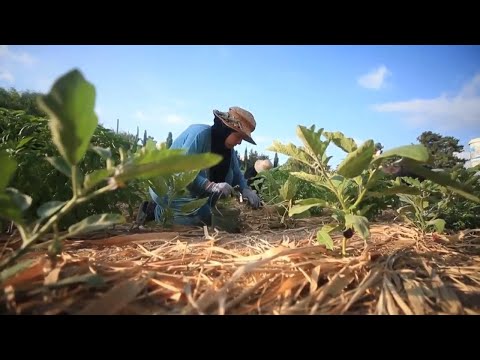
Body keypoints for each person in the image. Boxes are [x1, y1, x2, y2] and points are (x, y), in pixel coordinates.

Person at [136, 106, 262, 228]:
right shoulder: (199, 134)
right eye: (238, 136)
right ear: (227, 129)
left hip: (193, 194)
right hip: (169, 189)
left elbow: (236, 173)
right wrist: (211, 186)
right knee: (202, 217)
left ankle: (174, 213)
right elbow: (182, 172)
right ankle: (152, 211)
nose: (239, 142)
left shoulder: (228, 150)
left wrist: (246, 190)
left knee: (212, 215)